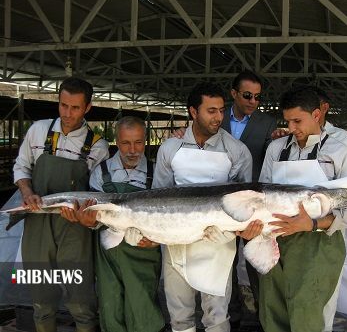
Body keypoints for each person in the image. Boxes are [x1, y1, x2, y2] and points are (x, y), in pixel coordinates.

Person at [152, 82, 262, 332]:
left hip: (218, 242)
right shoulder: (170, 148)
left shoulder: (237, 151)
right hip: (177, 239)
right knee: (180, 316)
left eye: (221, 110)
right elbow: (158, 197)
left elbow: (246, 203)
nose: (218, 117)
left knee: (216, 316)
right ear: (193, 112)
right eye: (211, 111)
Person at [258, 87, 347, 332]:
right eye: (287, 121)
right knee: (273, 309)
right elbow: (262, 195)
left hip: (318, 244)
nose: (292, 128)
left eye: (298, 120)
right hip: (277, 240)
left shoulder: (341, 146)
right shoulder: (277, 149)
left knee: (311, 314)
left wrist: (313, 223)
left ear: (317, 114)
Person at [13, 77, 109, 332]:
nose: (68, 113)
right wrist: (27, 191)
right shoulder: (38, 130)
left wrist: (86, 216)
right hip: (37, 222)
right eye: (63, 105)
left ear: (87, 107)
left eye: (75, 108)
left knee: (81, 301)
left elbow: (98, 193)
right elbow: (21, 167)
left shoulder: (98, 146)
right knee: (41, 299)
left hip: (74, 228)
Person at [61, 116, 164, 332]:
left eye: (138, 142)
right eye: (126, 143)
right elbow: (94, 219)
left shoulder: (157, 175)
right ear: (116, 141)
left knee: (143, 308)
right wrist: (88, 222)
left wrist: (156, 240)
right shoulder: (101, 172)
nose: (133, 150)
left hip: (143, 254)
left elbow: (166, 217)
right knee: (111, 306)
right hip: (108, 255)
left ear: (146, 141)